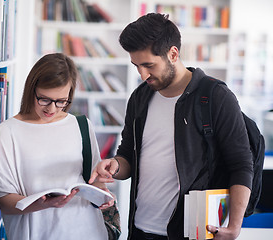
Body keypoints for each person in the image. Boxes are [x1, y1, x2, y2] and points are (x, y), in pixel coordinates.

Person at [89, 13, 253, 240]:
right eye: (136, 65)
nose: (142, 74)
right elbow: (127, 156)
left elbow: (242, 164)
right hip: (139, 229)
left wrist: (234, 227)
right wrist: (114, 166)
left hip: (193, 231)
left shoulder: (215, 96)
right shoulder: (139, 97)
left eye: (148, 65)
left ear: (173, 53)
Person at [0, 53, 113, 240]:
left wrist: (102, 194)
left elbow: (93, 180)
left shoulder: (81, 125)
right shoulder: (8, 132)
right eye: (44, 99)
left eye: (61, 101)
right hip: (37, 232)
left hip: (87, 231)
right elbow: (5, 201)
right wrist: (44, 204)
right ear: (31, 90)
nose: (51, 109)